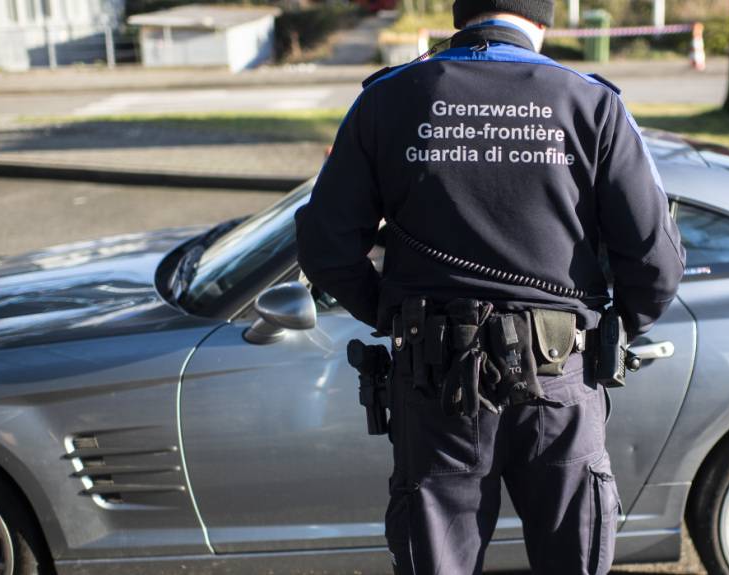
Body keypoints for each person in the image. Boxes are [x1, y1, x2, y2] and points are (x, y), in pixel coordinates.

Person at [293, 0, 685, 572]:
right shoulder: (591, 101)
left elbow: (326, 248)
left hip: (434, 381)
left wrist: (395, 313)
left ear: (462, 13)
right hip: (560, 378)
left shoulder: (388, 97)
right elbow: (655, 263)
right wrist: (612, 330)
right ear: (544, 19)